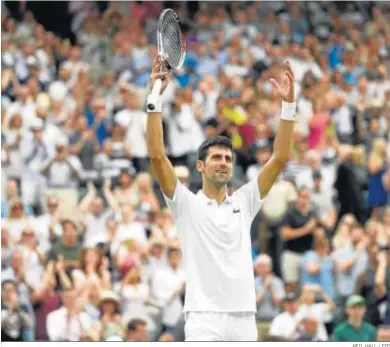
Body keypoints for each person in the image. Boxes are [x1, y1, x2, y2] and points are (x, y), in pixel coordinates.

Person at [146, 57, 296, 341]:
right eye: (216, 157)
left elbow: (280, 158)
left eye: (227, 158)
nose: (223, 162)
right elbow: (156, 155)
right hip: (203, 319)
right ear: (200, 166)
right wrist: (154, 96)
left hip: (244, 319)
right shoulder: (185, 204)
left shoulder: (246, 200)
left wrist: (288, 107)